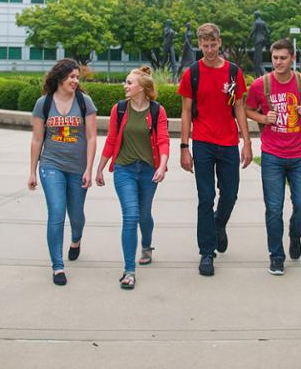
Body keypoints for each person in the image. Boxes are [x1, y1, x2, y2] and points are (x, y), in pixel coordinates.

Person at [178, 22, 252, 277]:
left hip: (229, 142)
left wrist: (247, 142)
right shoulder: (192, 73)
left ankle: (219, 224)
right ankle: (207, 253)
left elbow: (238, 107)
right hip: (203, 143)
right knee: (205, 197)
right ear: (199, 45)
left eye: (213, 45)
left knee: (230, 195)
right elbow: (186, 111)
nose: (209, 50)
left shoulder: (232, 73)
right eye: (204, 45)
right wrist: (184, 147)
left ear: (220, 43)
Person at [245, 38, 301, 275]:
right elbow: (247, 109)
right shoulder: (260, 85)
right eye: (275, 58)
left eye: (283, 58)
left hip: (300, 155)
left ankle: (295, 234)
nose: (278, 62)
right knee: (274, 208)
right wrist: (262, 118)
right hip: (272, 156)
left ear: (292, 58)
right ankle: (276, 255)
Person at [95, 66, 170, 290]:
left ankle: (146, 246)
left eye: (129, 83)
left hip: (148, 170)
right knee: (130, 215)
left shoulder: (157, 111)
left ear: (142, 88)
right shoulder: (119, 109)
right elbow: (110, 140)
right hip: (124, 170)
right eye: (126, 82)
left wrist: (163, 166)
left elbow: (163, 140)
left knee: (144, 214)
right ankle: (129, 270)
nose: (125, 86)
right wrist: (100, 168)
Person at [27, 58, 98, 286]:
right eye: (71, 77)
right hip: (51, 165)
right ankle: (57, 266)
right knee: (57, 213)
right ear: (60, 78)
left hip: (78, 167)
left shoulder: (84, 102)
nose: (75, 81)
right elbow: (37, 139)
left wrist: (89, 168)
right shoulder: (44, 103)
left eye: (77, 77)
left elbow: (91, 137)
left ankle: (76, 240)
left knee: (76, 215)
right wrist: (32, 171)